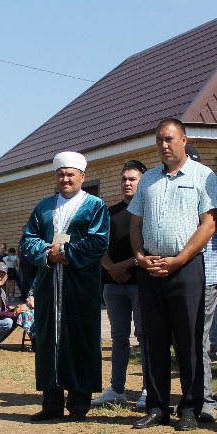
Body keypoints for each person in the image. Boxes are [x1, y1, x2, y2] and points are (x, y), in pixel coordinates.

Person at [129, 118, 217, 431]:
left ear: (184, 140)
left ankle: (191, 408)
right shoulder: (148, 180)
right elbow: (135, 224)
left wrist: (179, 260)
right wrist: (141, 258)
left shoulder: (203, 176)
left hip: (186, 268)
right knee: (153, 340)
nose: (164, 145)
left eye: (169, 139)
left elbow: (208, 225)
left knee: (190, 341)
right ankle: (157, 407)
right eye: (159, 140)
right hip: (151, 269)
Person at [23, 152, 110, 421]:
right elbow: (28, 240)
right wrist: (48, 254)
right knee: (49, 341)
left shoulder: (95, 206)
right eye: (61, 174)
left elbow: (99, 243)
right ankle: (51, 403)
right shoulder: (44, 207)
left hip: (80, 288)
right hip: (50, 287)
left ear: (82, 177)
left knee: (80, 340)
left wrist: (67, 252)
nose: (65, 179)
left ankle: (79, 404)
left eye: (70, 174)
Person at [94, 160, 148, 407]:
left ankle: (149, 388)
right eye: (124, 179)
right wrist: (112, 268)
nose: (127, 183)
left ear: (143, 181)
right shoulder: (108, 212)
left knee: (145, 337)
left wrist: (125, 266)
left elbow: (149, 247)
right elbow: (98, 246)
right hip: (113, 285)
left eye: (132, 179)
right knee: (118, 338)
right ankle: (117, 388)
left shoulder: (149, 211)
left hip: (141, 283)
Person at [189, 145, 217, 423]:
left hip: (207, 273)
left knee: (199, 340)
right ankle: (188, 397)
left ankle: (204, 400)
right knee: (184, 340)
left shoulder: (214, 189)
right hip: (175, 273)